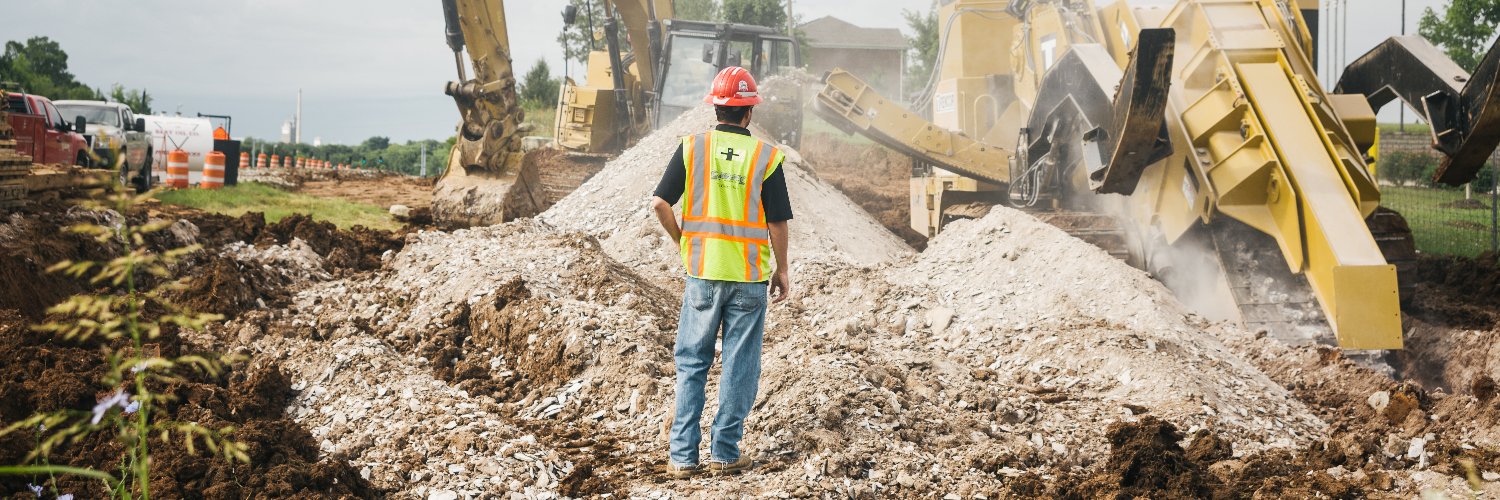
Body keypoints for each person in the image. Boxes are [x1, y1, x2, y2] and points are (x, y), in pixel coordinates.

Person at [649, 66, 793, 478]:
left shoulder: (692, 148)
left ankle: (682, 457)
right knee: (738, 364)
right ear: (748, 112)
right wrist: (782, 270)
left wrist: (682, 241)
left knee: (692, 362)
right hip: (748, 278)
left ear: (716, 107)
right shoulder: (765, 156)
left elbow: (660, 203)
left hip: (703, 272)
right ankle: (725, 452)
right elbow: (778, 222)